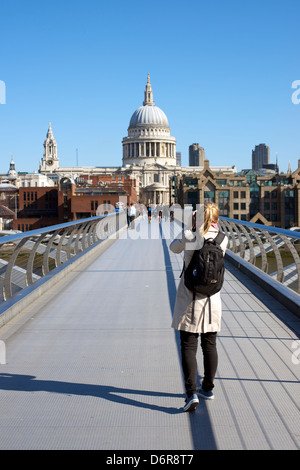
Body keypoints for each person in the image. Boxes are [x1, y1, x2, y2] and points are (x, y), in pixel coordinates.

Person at [169, 203, 227, 412]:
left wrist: (189, 227)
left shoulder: (189, 234)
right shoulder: (223, 238)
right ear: (216, 219)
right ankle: (208, 388)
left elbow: (173, 248)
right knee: (209, 345)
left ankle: (191, 393)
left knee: (188, 345)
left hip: (190, 298)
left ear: (196, 218)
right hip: (212, 299)